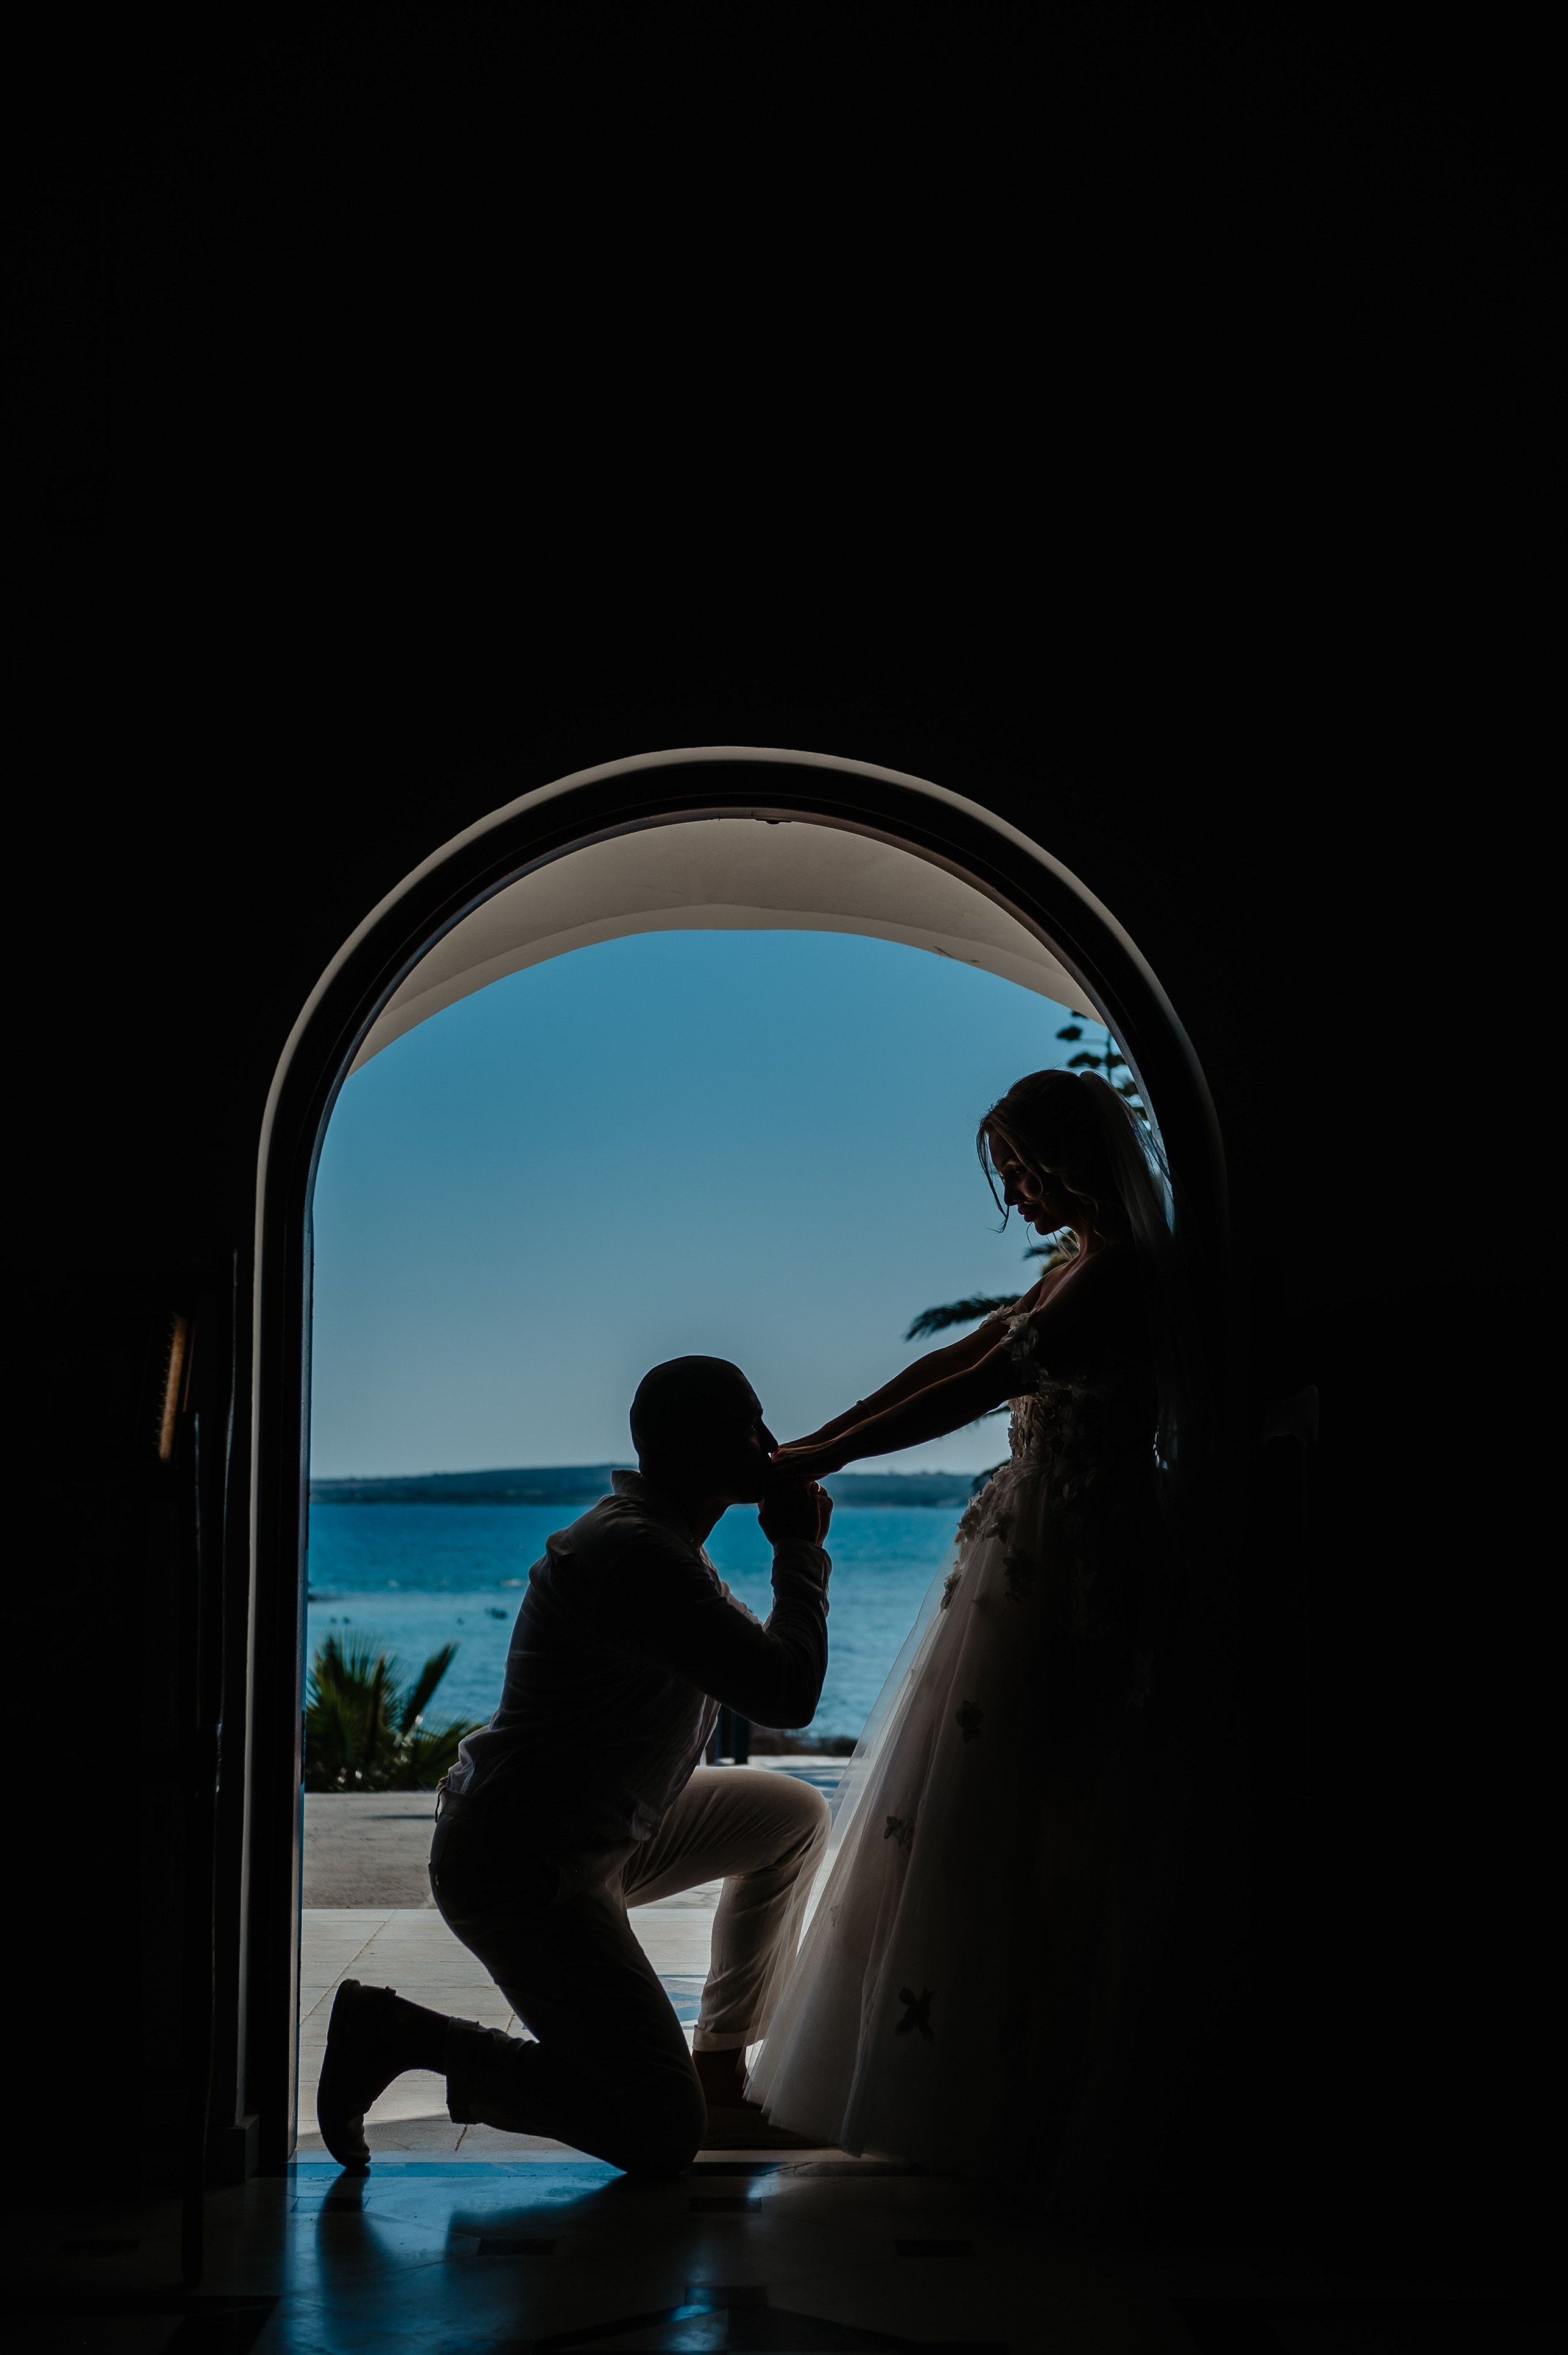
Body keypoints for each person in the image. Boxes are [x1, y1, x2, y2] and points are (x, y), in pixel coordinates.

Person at [746, 1068, 1210, 2194]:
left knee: (1056, 1807)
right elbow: (950, 1364)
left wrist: (820, 1461)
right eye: (1005, 1168)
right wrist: (815, 1439)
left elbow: (980, 1387)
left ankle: (1039, 2090)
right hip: (1026, 1553)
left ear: (1066, 1159)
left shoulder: (1124, 1275)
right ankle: (987, 2070)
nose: (1011, 1186)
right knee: (987, 1806)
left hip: (1083, 1558)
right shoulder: (1073, 1270)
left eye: (1019, 1164)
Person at [317, 1356, 835, 2176]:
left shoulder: (665, 1541)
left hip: (598, 1834)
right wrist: (801, 1555)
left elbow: (757, 1671)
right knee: (662, 2131)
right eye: (749, 1427)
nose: (769, 1445)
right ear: (691, 1450)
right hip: (523, 1866)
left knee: (791, 1816)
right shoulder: (636, 1555)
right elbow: (786, 1692)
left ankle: (722, 2065)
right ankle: (408, 2036)